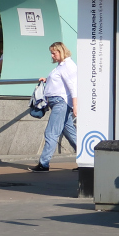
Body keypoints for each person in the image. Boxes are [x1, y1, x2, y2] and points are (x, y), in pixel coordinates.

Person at [30, 42, 77, 173]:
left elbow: (73, 87)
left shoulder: (67, 66)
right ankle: (87, 160)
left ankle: (44, 163)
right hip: (60, 102)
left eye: (54, 52)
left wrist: (76, 105)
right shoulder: (63, 65)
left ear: (61, 51)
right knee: (69, 132)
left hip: (60, 103)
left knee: (51, 132)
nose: (52, 55)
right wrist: (47, 80)